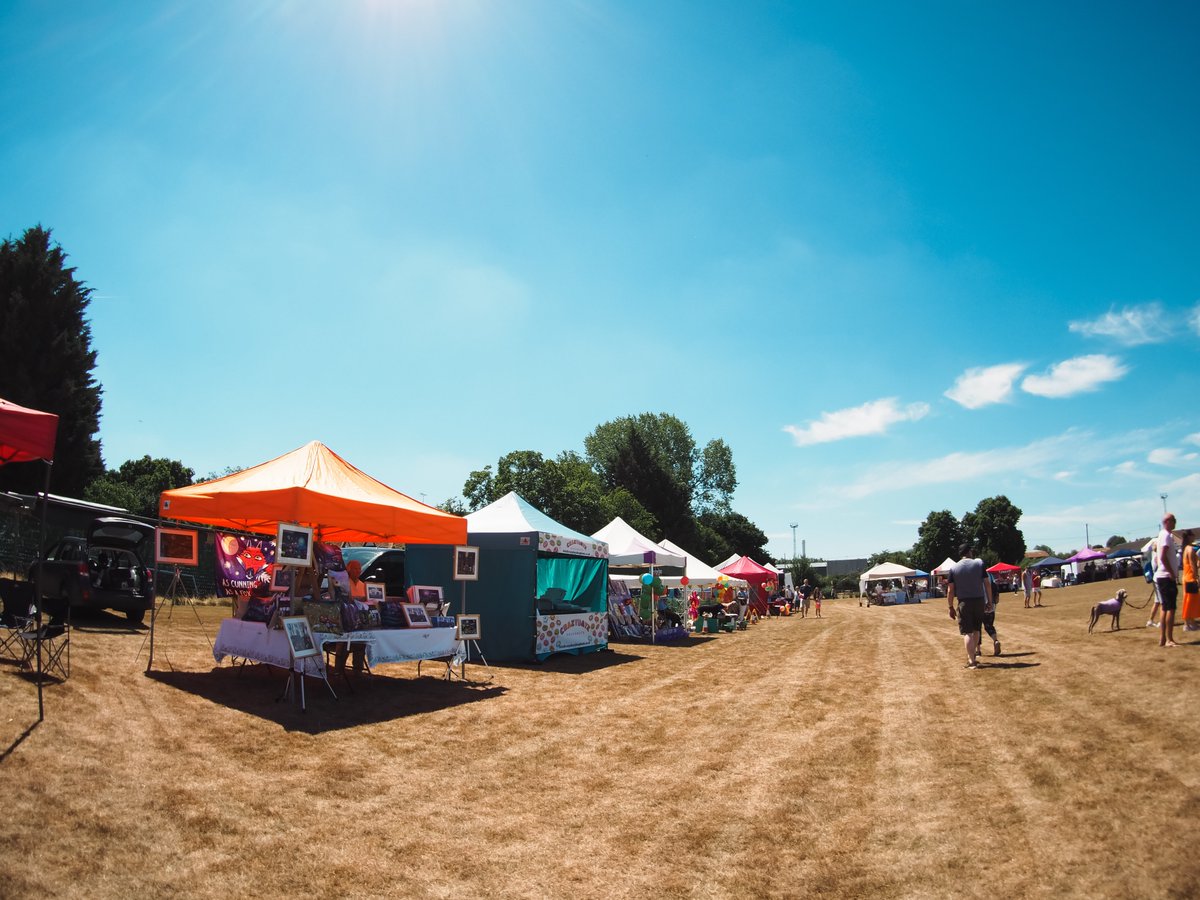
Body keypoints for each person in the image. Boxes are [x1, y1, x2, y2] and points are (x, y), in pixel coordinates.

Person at [947, 542, 991, 669]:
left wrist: (950, 606)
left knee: (967, 632)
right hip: (979, 600)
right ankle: (974, 655)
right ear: (969, 552)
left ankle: (971, 660)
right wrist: (989, 600)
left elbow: (950, 590)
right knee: (977, 629)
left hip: (964, 602)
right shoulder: (979, 564)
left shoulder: (954, 568)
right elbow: (987, 583)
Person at [1155, 513, 1180, 648]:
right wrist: (1171, 572)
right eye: (1174, 520)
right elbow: (1163, 556)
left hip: (1162, 576)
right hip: (1166, 577)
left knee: (1164, 607)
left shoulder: (1162, 535)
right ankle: (1169, 639)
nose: (1176, 522)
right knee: (1170, 608)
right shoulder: (1165, 536)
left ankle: (1163, 639)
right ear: (1168, 521)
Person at [1180, 532, 1199, 632]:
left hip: (1186, 577)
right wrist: (1197, 577)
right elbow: (1192, 565)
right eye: (1193, 535)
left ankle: (1188, 623)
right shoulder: (1190, 549)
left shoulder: (1185, 548)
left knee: (1188, 601)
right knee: (1190, 602)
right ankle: (1190, 623)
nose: (1194, 537)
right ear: (1189, 537)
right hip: (1190, 577)